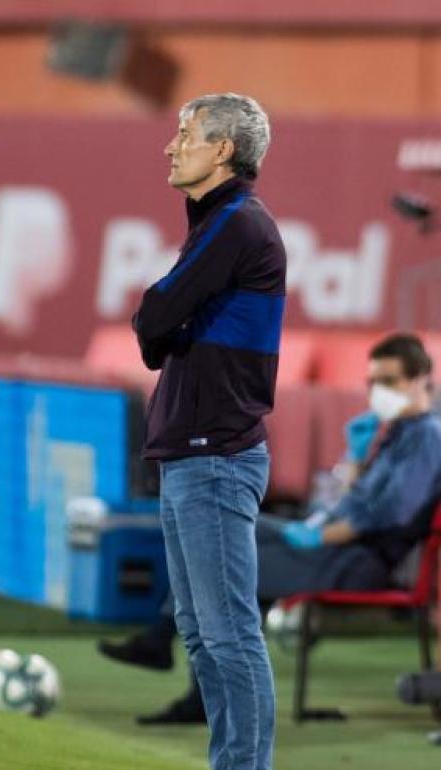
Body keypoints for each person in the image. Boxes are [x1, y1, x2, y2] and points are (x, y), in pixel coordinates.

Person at [102, 333, 441, 724]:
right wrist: (354, 462)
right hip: (329, 541)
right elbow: (344, 500)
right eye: (372, 382)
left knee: (219, 561)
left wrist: (319, 535)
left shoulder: (427, 438)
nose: (377, 391)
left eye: (389, 381)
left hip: (359, 559)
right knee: (214, 525)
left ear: (421, 379)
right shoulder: (394, 433)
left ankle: (172, 657)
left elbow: (390, 513)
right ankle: (167, 648)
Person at [132, 93, 284, 770]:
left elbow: (156, 312)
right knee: (201, 635)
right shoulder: (215, 224)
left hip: (215, 455)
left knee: (228, 636)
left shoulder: (237, 222)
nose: (172, 145)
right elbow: (159, 328)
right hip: (193, 456)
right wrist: (162, 329)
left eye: (186, 134)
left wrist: (162, 327)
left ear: (223, 150)